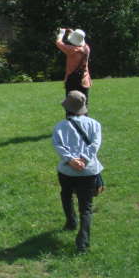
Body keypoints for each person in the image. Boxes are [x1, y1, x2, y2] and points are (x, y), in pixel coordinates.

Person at [52, 90, 103, 253]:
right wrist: (84, 160)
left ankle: (71, 222)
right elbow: (95, 145)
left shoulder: (60, 126)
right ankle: (83, 243)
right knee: (86, 207)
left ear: (66, 108)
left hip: (67, 171)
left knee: (66, 195)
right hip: (88, 172)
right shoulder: (95, 124)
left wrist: (71, 160)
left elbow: (58, 145)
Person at [55, 27, 92, 103]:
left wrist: (61, 33)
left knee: (71, 106)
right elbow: (80, 42)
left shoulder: (71, 50)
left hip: (72, 81)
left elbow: (58, 43)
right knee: (84, 105)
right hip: (84, 80)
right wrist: (73, 33)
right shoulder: (87, 48)